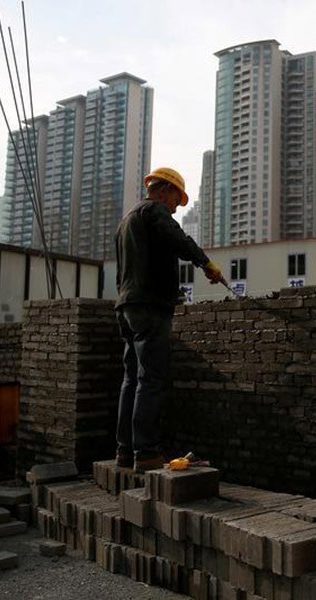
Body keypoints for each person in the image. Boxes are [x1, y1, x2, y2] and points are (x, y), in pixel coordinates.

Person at [114, 166, 225, 473]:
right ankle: (146, 452)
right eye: (177, 199)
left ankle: (125, 451)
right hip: (150, 306)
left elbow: (121, 269)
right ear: (163, 191)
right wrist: (206, 263)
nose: (177, 207)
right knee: (150, 380)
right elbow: (178, 239)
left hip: (127, 307)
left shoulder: (126, 221)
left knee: (131, 380)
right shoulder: (154, 212)